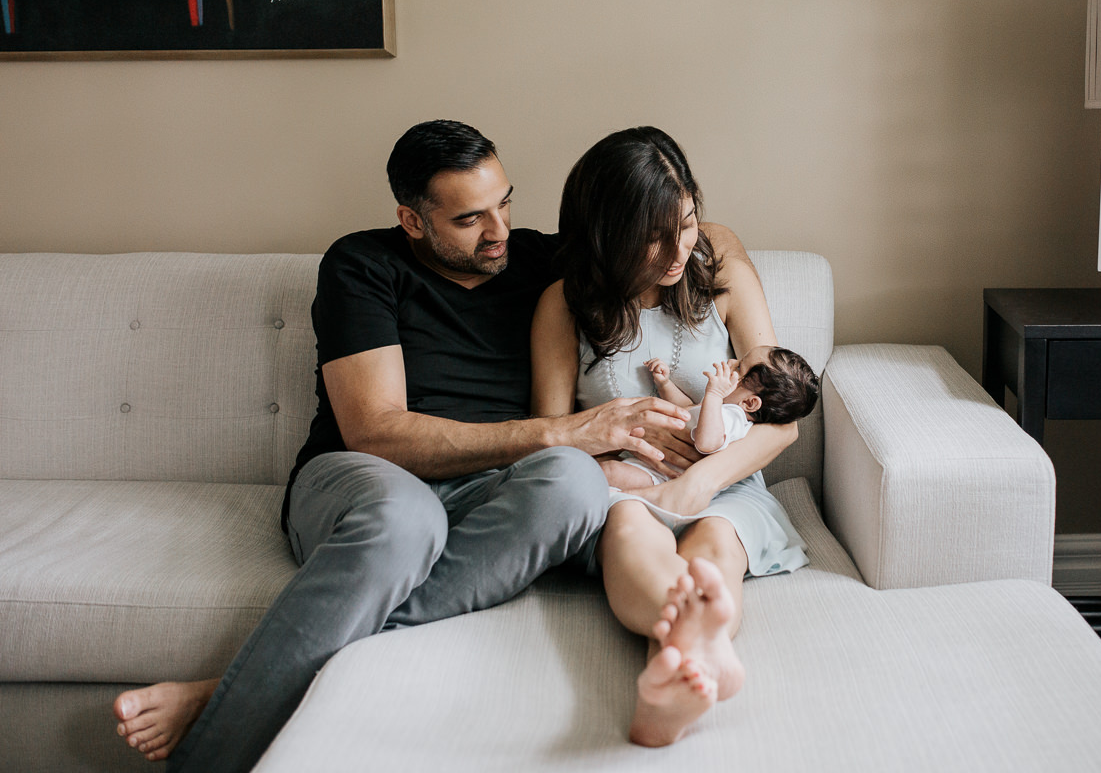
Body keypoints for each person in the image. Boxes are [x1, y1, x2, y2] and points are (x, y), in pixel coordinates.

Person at [111, 120, 691, 772]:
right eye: (470, 219)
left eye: (504, 202)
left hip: (495, 486)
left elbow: (692, 244)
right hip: (364, 477)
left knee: (577, 483)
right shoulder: (362, 265)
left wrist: (700, 234)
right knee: (407, 518)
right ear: (413, 221)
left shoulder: (540, 260)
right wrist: (562, 431)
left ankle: (239, 688)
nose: (499, 231)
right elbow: (377, 434)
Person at [531, 126, 808, 748]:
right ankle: (685, 659)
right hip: (623, 489)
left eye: (685, 223)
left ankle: (670, 678)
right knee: (632, 531)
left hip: (726, 483)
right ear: (606, 236)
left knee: (715, 543)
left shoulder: (725, 281)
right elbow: (547, 436)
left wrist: (702, 480)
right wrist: (611, 457)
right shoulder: (565, 304)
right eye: (650, 237)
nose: (675, 250)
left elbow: (782, 418)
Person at [604, 348, 820, 490]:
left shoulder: (733, 418)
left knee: (609, 472)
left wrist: (714, 395)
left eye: (739, 368)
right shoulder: (721, 410)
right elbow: (686, 411)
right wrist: (665, 385)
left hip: (662, 478)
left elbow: (707, 443)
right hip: (647, 462)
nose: (731, 361)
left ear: (750, 403)